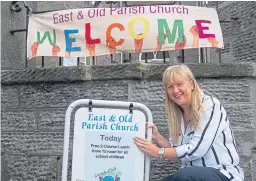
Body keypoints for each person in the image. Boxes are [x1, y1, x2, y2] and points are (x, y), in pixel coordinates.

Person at [134, 64, 244, 181]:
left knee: (183, 175)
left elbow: (196, 150)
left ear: (191, 84)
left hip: (221, 173)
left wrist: (158, 152)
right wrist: (156, 137)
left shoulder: (210, 106)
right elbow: (176, 148)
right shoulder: (179, 113)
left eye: (179, 84)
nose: (175, 90)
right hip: (191, 174)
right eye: (170, 87)